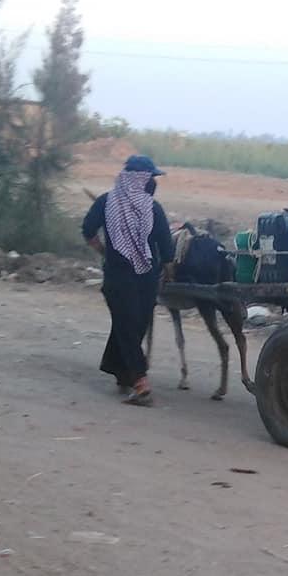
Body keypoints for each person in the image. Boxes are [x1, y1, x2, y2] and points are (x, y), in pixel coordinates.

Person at [82, 155, 174, 405]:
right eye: (152, 178)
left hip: (120, 276)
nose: (154, 182)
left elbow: (88, 231)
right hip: (144, 277)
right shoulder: (153, 209)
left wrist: (103, 250)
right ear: (140, 179)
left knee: (127, 326)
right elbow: (167, 248)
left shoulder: (105, 202)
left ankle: (121, 371)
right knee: (129, 327)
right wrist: (167, 271)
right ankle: (140, 382)